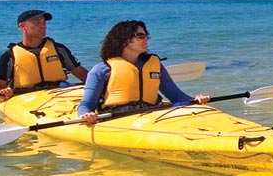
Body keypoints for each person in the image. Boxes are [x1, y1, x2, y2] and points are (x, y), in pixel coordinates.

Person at [78, 20, 209, 124]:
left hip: (152, 115)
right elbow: (86, 104)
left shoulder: (155, 66)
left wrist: (195, 100)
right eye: (140, 36)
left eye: (146, 35)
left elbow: (176, 97)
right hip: (117, 119)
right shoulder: (102, 70)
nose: (146, 39)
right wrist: (87, 115)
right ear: (123, 40)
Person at [0, 9, 88, 100]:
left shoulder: (59, 49)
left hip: (59, 93)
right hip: (25, 97)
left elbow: (82, 74)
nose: (43, 26)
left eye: (44, 22)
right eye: (37, 22)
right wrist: (2, 94)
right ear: (22, 26)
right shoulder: (9, 56)